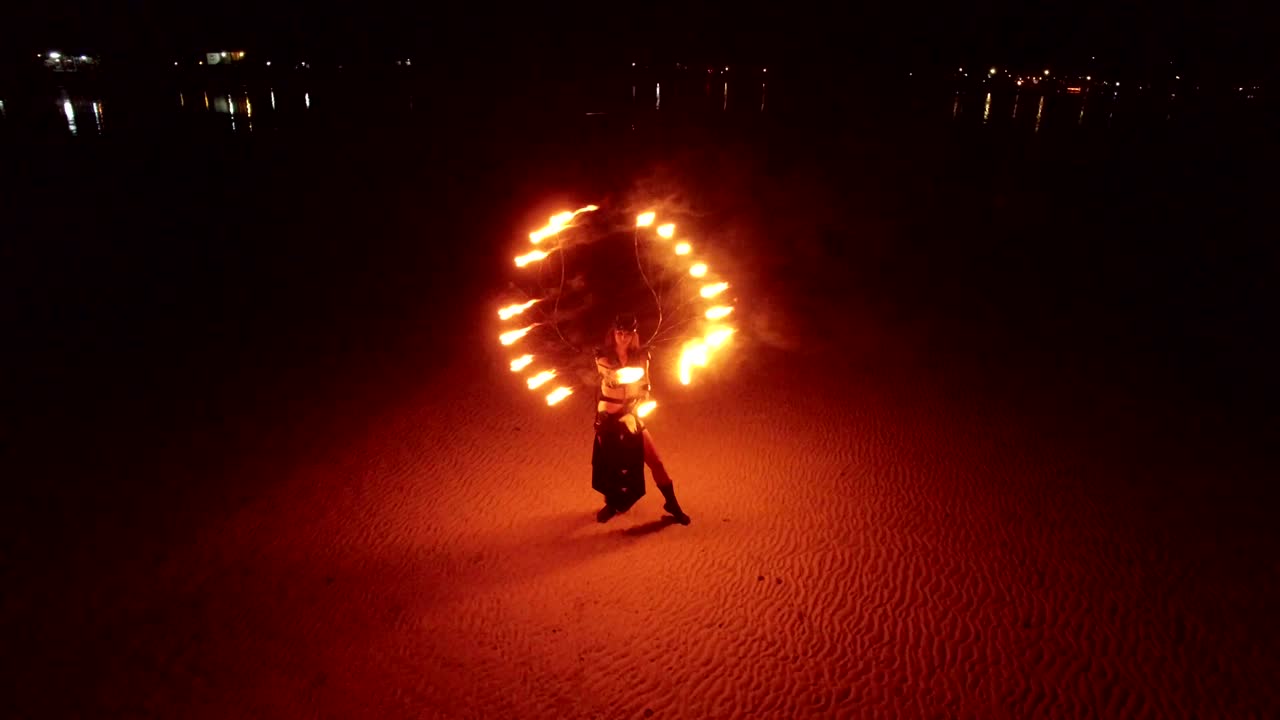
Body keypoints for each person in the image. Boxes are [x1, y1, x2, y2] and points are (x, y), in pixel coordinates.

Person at [592, 312, 691, 525]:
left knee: (655, 461)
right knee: (610, 465)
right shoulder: (602, 355)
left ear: (634, 335)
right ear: (613, 333)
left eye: (628, 334)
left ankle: (671, 503)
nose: (623, 338)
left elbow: (645, 387)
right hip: (608, 418)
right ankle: (611, 504)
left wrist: (632, 410)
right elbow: (610, 378)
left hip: (631, 416)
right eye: (619, 333)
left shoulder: (642, 356)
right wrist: (621, 377)